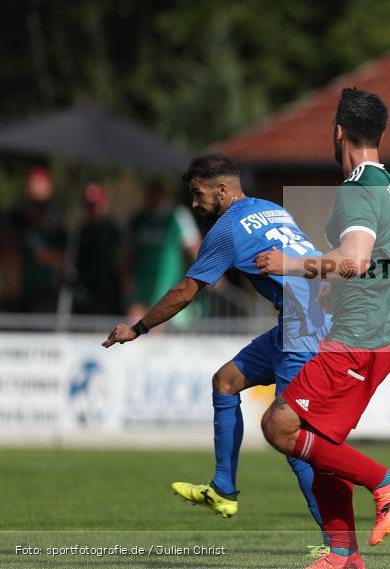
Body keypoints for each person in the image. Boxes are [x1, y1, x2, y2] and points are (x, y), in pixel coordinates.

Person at [102, 155, 330, 547]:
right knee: (225, 381)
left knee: (291, 441)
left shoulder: (227, 228)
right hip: (303, 319)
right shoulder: (270, 208)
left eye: (198, 194)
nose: (194, 204)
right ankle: (223, 487)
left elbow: (185, 292)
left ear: (222, 192)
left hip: (305, 330)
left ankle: (340, 541)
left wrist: (137, 328)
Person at [253, 87, 390, 569]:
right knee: (319, 442)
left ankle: (385, 481)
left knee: (280, 425)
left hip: (360, 335)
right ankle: (342, 555)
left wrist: (292, 264)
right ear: (381, 132)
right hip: (386, 331)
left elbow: (352, 259)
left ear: (339, 133)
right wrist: (354, 288)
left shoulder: (357, 188)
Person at [127, 179, 200, 324]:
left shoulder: (178, 216)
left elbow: (195, 249)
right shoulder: (138, 220)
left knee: (155, 328)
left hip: (168, 286)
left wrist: (208, 276)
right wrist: (127, 282)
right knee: (133, 326)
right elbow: (127, 253)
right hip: (141, 288)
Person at [7, 165, 67, 312]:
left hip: (45, 295)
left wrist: (48, 256)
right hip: (16, 295)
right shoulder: (15, 219)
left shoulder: (56, 223)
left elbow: (63, 258)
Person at [74, 183, 124, 315]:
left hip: (110, 295)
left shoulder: (114, 230)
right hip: (85, 295)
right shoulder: (81, 232)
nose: (92, 210)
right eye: (89, 206)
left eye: (95, 206)